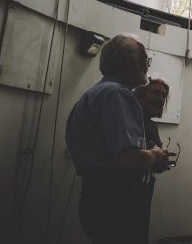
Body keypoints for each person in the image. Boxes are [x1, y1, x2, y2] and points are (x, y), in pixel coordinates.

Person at [65, 33, 168, 244]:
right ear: (128, 63)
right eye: (144, 60)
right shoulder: (117, 95)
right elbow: (131, 160)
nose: (146, 67)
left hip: (98, 197)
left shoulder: (95, 93)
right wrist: (156, 154)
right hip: (116, 200)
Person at [133, 77, 174, 240]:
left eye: (163, 95)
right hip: (120, 192)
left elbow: (156, 164)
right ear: (141, 94)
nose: (160, 98)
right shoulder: (128, 119)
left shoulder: (152, 126)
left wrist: (162, 160)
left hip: (143, 190)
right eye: (155, 92)